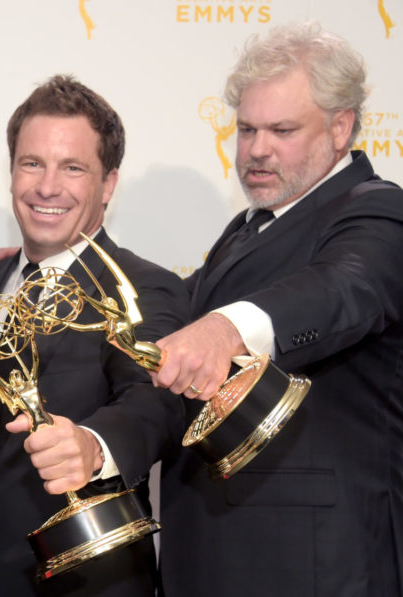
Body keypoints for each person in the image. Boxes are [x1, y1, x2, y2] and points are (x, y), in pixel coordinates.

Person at [154, 22, 403, 597]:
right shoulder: (245, 230)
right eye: (246, 129)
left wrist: (224, 331)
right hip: (213, 556)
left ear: (341, 128)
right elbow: (176, 306)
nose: (257, 148)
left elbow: (342, 287)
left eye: (282, 130)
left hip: (311, 565)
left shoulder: (378, 213)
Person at [0, 75, 188, 597]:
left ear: (107, 184)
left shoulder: (143, 285)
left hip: (85, 580)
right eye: (32, 163)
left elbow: (158, 399)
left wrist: (95, 445)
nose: (47, 186)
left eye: (73, 168)